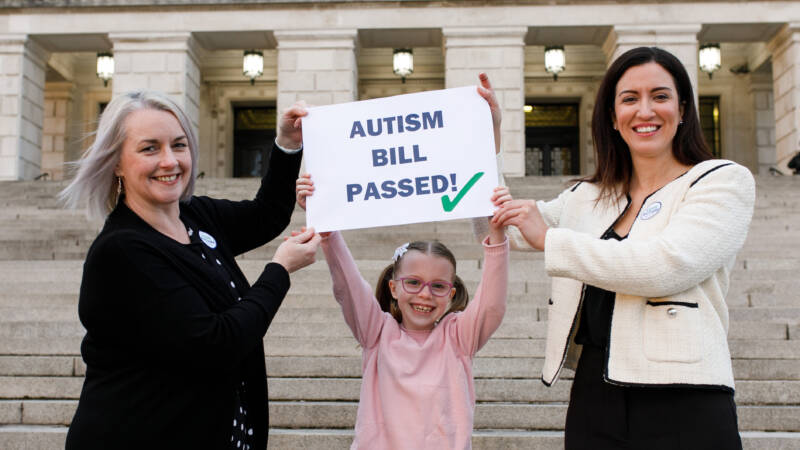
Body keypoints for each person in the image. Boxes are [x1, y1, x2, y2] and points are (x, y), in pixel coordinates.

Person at [492, 46, 755, 449]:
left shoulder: (721, 181)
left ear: (683, 110)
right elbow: (499, 225)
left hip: (685, 392)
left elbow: (664, 266)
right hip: (596, 392)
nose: (645, 110)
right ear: (613, 118)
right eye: (629, 99)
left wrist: (550, 239)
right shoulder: (587, 196)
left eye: (661, 96)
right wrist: (483, 141)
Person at [59, 91, 320, 449]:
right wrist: (280, 270)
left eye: (179, 145)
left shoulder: (196, 215)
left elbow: (265, 215)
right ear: (116, 162)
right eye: (149, 148)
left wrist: (288, 144)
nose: (170, 161)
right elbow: (217, 344)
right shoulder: (121, 251)